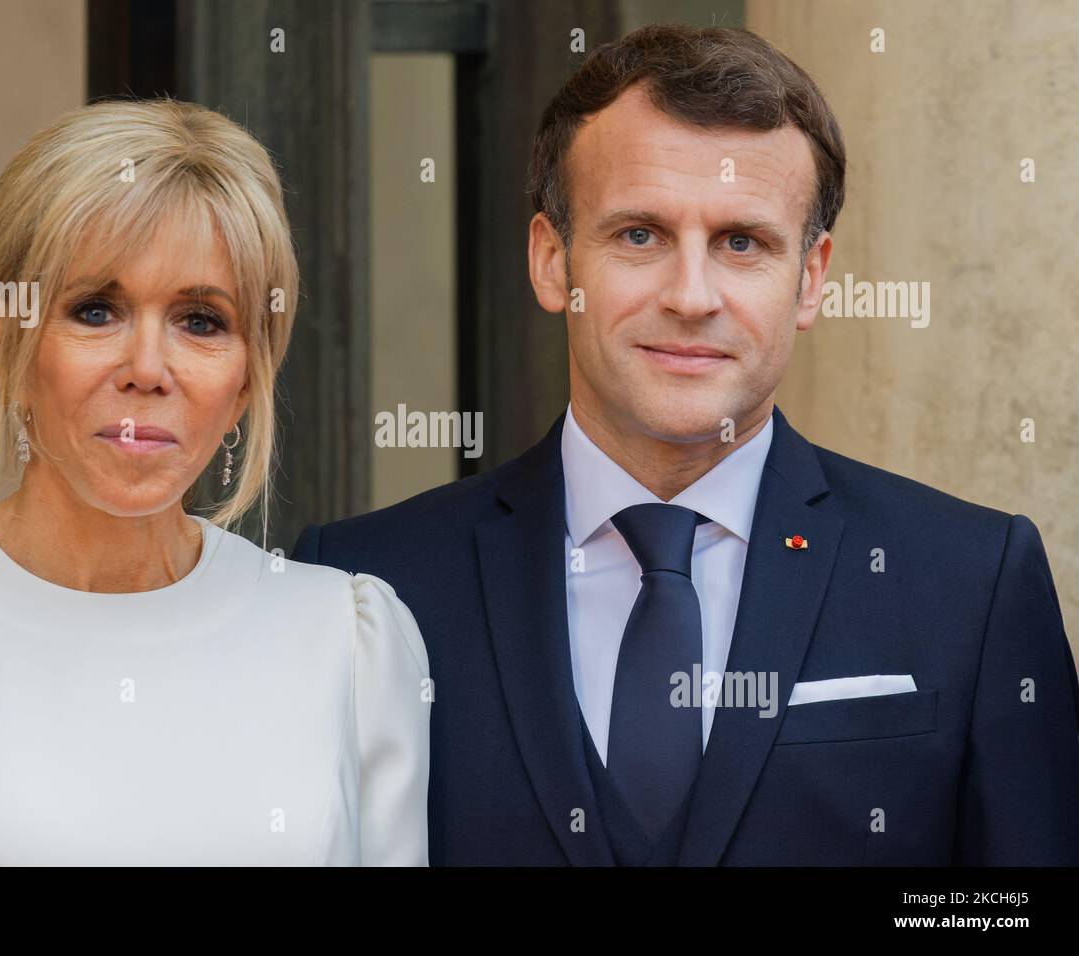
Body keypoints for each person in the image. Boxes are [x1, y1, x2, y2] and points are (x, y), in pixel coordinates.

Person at [292, 24, 1079, 865]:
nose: (692, 295)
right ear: (553, 261)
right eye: (640, 235)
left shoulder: (971, 581)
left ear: (810, 279)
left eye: (743, 243)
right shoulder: (364, 589)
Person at [0, 99, 430, 866]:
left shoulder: (351, 645)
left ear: (251, 376)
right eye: (96, 310)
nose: (148, 370)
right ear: (3, 338)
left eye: (201, 321)